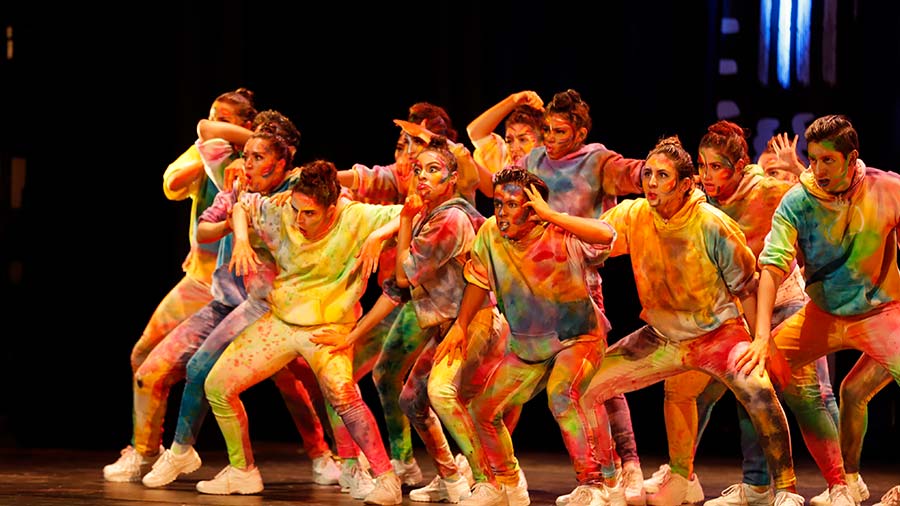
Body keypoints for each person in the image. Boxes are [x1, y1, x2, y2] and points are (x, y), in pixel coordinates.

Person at [579, 136, 805, 506]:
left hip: (719, 335)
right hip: (664, 336)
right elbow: (598, 236)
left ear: (686, 184)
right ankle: (610, 482)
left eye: (662, 175)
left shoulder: (712, 224)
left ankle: (787, 489)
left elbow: (747, 289)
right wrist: (548, 220)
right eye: (648, 174)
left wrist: (764, 343)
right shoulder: (635, 214)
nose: (651, 182)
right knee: (587, 387)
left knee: (758, 392)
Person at [132, 116, 346, 490]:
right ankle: (193, 454)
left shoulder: (299, 190)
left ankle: (340, 459)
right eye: (246, 155)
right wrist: (237, 230)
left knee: (317, 383)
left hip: (289, 305)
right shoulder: (239, 178)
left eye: (258, 155)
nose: (248, 164)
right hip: (234, 300)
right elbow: (215, 216)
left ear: (284, 159)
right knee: (195, 370)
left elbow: (337, 210)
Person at [642, 120, 845, 506]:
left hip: (782, 302)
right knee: (738, 392)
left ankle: (841, 486)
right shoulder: (700, 198)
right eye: (702, 166)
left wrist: (799, 165)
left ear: (739, 167)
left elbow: (820, 197)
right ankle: (745, 486)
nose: (707, 175)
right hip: (733, 313)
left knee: (805, 395)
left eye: (716, 166)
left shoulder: (766, 190)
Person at [198, 160, 403, 504]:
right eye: (296, 209)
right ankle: (242, 471)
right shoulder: (282, 210)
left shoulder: (355, 217)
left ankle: (385, 478)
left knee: (343, 393)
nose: (298, 219)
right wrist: (243, 241)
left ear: (332, 207)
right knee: (216, 385)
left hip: (328, 327)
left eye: (309, 213)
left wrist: (380, 236)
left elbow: (413, 211)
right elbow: (240, 205)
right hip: (282, 321)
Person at [739, 114, 900, 506]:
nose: (817, 169)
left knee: (854, 391)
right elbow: (772, 266)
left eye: (827, 160)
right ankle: (791, 487)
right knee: (753, 375)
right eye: (812, 160)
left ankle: (851, 480)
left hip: (880, 313)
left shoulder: (888, 188)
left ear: (851, 158)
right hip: (823, 315)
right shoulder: (797, 201)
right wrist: (762, 337)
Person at [435, 167, 617, 506]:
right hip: (529, 346)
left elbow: (606, 235)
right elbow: (478, 279)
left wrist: (552, 215)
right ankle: (506, 482)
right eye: (498, 203)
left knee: (561, 394)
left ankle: (594, 485)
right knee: (483, 410)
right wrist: (461, 324)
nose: (502, 212)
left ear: (533, 208)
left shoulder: (559, 231)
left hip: (577, 338)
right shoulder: (490, 234)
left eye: (512, 204)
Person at [103, 87, 258, 482]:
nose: (214, 121)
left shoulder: (257, 161)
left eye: (227, 117)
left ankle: (328, 455)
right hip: (202, 281)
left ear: (246, 126)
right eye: (213, 113)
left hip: (253, 291)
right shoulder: (206, 148)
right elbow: (172, 182)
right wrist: (205, 159)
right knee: (143, 355)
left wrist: (227, 146)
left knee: (295, 380)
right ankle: (144, 449)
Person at [515, 88, 648, 504]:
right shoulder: (533, 160)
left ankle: (627, 466)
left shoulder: (597, 161)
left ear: (580, 132)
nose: (549, 137)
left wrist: (660, 172)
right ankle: (498, 474)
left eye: (558, 130)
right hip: (534, 285)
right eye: (545, 130)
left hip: (580, 284)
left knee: (596, 379)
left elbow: (636, 174)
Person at [466, 90, 545, 175]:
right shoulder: (504, 165)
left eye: (523, 140)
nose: (514, 149)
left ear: (544, 142)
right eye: (509, 141)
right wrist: (513, 100)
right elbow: (476, 132)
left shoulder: (556, 175)